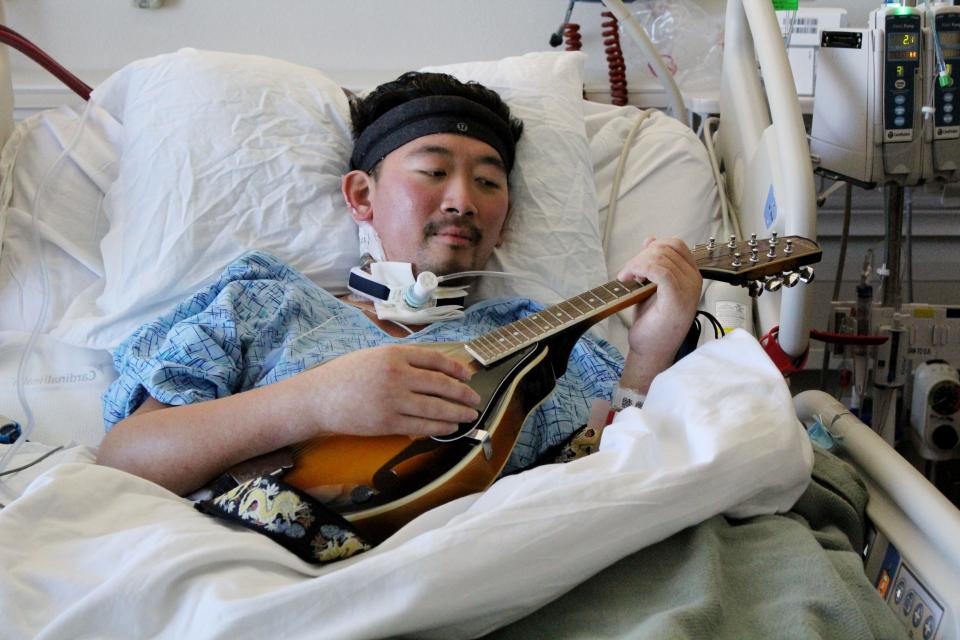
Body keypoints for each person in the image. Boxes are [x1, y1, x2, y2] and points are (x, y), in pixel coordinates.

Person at [96, 71, 702, 500]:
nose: (463, 200)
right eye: (434, 172)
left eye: (489, 183)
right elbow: (126, 460)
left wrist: (649, 354)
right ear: (361, 195)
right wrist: (312, 401)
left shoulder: (542, 335)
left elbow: (621, 483)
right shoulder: (262, 304)